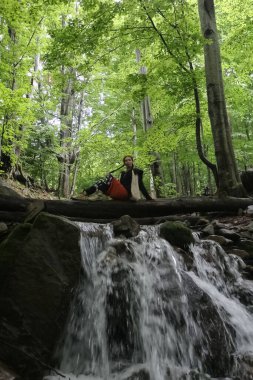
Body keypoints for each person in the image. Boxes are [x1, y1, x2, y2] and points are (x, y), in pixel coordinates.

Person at [83, 155, 153, 201]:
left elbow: (140, 184)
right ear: (124, 163)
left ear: (132, 161)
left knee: (108, 178)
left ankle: (97, 195)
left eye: (129, 160)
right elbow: (121, 184)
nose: (128, 161)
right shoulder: (123, 173)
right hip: (121, 192)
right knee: (102, 181)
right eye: (126, 160)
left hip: (127, 195)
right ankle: (86, 193)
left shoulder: (136, 171)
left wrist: (148, 197)